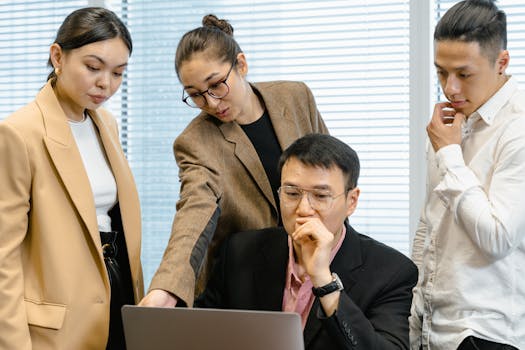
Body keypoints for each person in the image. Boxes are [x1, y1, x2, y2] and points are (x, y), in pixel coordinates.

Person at [140, 14, 328, 308]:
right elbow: (194, 211)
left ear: (240, 64)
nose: (211, 103)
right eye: (196, 95)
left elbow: (331, 175)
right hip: (247, 281)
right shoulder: (196, 141)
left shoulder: (295, 97)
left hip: (312, 267)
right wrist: (166, 290)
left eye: (216, 85)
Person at [0, 7, 143, 350]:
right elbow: (4, 257)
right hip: (59, 326)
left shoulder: (105, 123)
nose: (105, 83)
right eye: (93, 67)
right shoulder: (19, 133)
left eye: (118, 73)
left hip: (118, 295)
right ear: (57, 57)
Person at [196, 133, 418, 349]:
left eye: (321, 196)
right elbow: (201, 332)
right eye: (292, 193)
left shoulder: (392, 272)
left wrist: (324, 281)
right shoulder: (240, 251)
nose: (303, 209)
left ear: (351, 201)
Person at [410, 1, 525, 349]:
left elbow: (497, 237)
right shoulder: (448, 124)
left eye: (464, 74)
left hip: (487, 334)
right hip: (432, 327)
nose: (450, 88)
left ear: (501, 62)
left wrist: (449, 154)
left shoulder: (518, 127)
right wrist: (411, 310)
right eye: (441, 72)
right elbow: (430, 223)